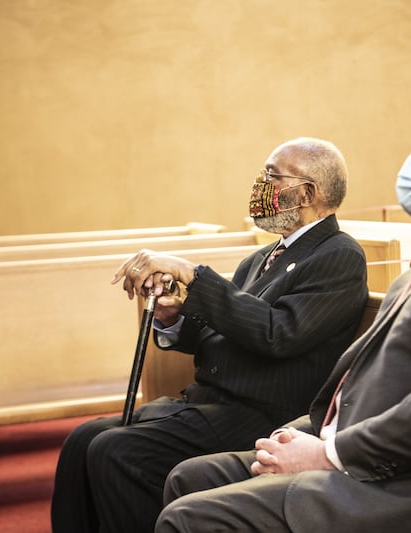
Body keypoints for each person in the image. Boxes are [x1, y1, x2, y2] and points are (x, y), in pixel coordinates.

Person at [156, 94, 411, 533]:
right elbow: (370, 384)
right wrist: (302, 435)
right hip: (373, 460)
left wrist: (325, 454)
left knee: (189, 518)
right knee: (191, 478)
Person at [50, 137, 369, 533]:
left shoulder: (338, 255)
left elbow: (279, 334)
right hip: (212, 401)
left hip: (264, 411)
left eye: (272, 175)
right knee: (83, 439)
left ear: (306, 192)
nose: (260, 185)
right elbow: (228, 329)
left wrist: (194, 275)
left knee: (117, 451)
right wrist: (174, 316)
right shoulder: (261, 258)